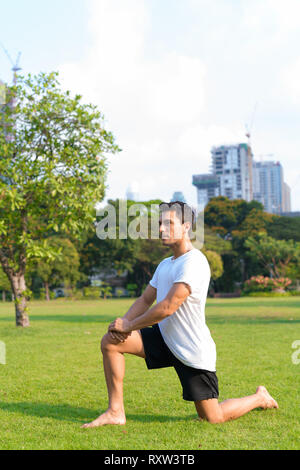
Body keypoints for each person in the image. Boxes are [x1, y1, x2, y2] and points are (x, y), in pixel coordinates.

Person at [82, 201, 278, 428]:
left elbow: (167, 307)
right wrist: (123, 324)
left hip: (191, 349)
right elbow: (145, 299)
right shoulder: (165, 264)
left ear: (186, 226)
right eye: (159, 224)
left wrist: (129, 326)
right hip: (165, 338)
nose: (161, 229)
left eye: (168, 223)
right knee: (111, 342)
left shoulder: (194, 262)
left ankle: (260, 397)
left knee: (212, 417)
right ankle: (115, 412)